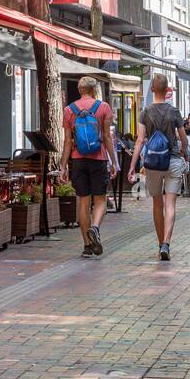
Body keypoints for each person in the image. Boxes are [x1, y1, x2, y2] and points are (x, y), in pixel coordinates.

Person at [129, 73, 188, 261]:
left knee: (157, 203)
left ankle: (159, 243)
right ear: (167, 89)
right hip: (172, 160)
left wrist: (133, 166)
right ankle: (166, 243)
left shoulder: (145, 112)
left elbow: (139, 140)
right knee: (170, 204)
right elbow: (183, 138)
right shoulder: (174, 111)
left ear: (153, 89)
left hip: (153, 162)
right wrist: (183, 152)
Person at [60, 76, 118, 258]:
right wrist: (113, 161)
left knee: (83, 201)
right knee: (100, 200)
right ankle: (95, 227)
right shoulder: (103, 107)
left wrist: (63, 165)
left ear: (79, 90)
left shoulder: (69, 110)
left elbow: (68, 141)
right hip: (98, 158)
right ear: (94, 90)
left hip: (78, 159)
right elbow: (107, 137)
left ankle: (86, 245)